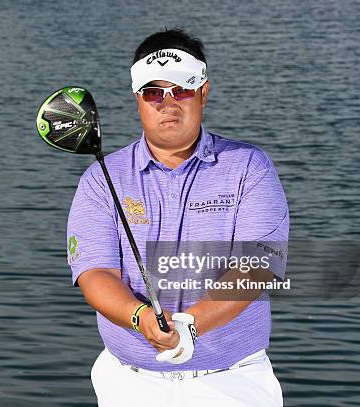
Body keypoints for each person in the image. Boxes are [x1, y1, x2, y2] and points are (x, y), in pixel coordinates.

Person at [66, 28, 289, 406]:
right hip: (129, 384)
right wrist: (140, 317)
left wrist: (189, 326)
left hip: (232, 383)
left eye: (181, 89)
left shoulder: (250, 166)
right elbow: (95, 273)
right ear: (138, 99)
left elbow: (257, 267)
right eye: (154, 92)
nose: (168, 103)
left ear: (204, 90)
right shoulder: (102, 178)